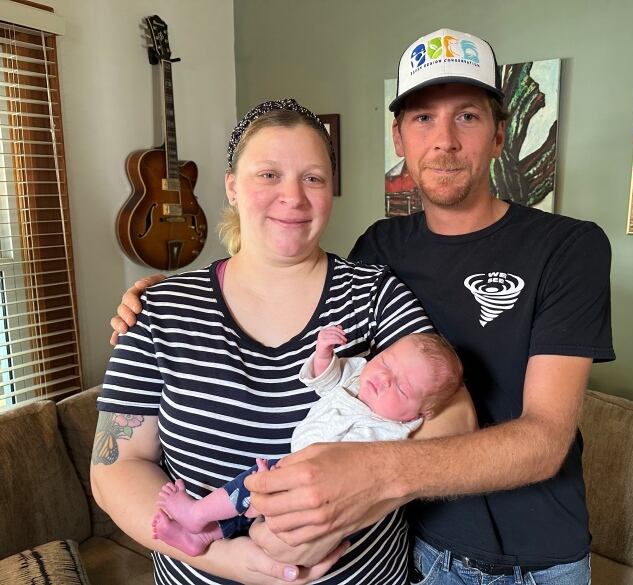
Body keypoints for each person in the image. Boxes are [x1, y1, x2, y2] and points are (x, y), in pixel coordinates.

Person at [111, 28, 615, 585]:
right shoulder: (381, 250)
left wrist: (367, 478)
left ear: (500, 135)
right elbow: (117, 465)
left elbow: (541, 438)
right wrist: (157, 297)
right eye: (423, 118)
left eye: (467, 117)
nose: (444, 139)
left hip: (533, 553)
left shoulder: (565, 248)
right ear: (398, 136)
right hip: (427, 544)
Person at [92, 98, 475, 585]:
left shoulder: (374, 293)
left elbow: (457, 417)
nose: (292, 197)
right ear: (232, 187)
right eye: (268, 175)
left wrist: (355, 497)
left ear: (332, 191)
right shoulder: (162, 310)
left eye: (313, 178)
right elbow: (114, 466)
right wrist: (223, 559)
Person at [152, 327, 466, 558]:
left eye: (401, 387)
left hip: (317, 484)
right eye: (385, 362)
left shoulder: (391, 431)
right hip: (294, 465)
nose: (382, 378)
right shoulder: (359, 373)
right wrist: (324, 355)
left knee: (250, 486)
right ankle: (204, 538)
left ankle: (197, 514)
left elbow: (361, 469)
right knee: (252, 505)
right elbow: (325, 382)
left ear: (421, 413)